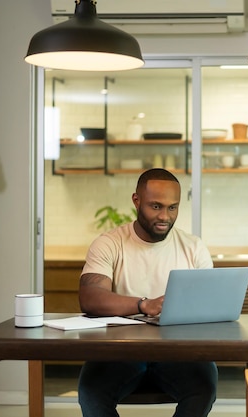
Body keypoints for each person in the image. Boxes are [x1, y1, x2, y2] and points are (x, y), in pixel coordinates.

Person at [77, 168, 217, 417]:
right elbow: (90, 298)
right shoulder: (109, 243)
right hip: (120, 350)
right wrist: (143, 305)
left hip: (179, 352)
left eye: (172, 207)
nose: (165, 216)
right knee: (91, 391)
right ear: (136, 200)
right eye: (156, 206)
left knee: (204, 387)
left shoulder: (194, 248)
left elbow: (209, 306)